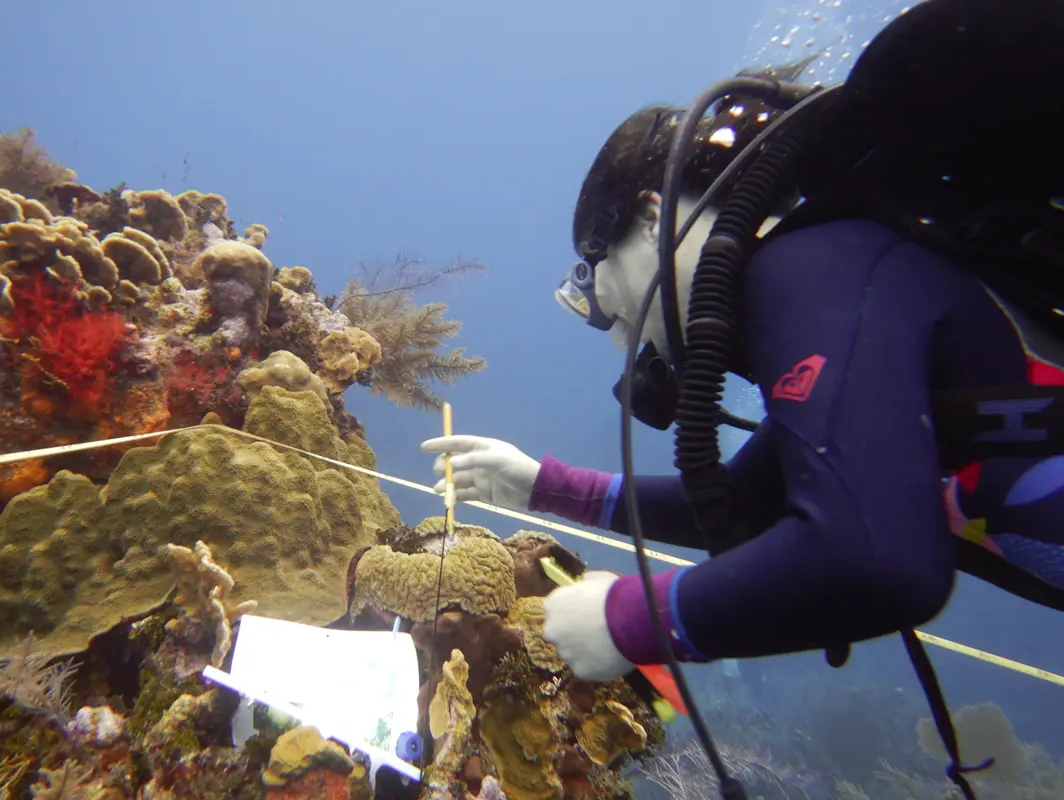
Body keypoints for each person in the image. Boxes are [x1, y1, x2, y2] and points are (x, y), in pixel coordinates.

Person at [420, 0, 1064, 692]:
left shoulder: (815, 269)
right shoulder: (839, 282)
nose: (616, 331)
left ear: (651, 215)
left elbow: (875, 558)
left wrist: (630, 620)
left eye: (596, 282)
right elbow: (746, 504)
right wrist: (543, 486)